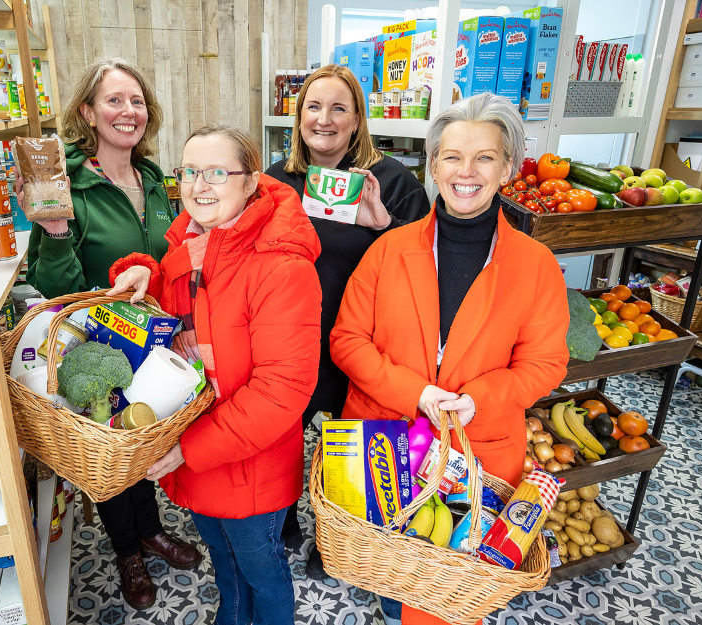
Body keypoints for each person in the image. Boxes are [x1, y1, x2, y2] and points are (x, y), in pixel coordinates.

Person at [329, 92, 570, 625]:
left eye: (485, 157)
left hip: (477, 457)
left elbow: (546, 362)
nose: (467, 171)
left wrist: (476, 400)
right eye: (452, 156)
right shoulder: (388, 250)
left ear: (507, 168)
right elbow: (347, 339)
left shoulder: (535, 266)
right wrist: (412, 392)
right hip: (387, 446)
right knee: (392, 573)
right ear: (432, 165)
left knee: (446, 603)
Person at [106, 124, 321, 625]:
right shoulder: (192, 238)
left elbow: (281, 391)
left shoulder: (282, 267)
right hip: (199, 448)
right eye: (191, 172)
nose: (200, 185)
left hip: (247, 460)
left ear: (250, 183)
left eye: (218, 173)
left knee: (261, 568)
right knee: (223, 560)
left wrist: (190, 449)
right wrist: (147, 274)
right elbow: (187, 312)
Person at [22, 57, 201, 610]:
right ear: (87, 112)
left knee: (141, 438)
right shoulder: (65, 185)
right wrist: (54, 232)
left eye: (137, 101)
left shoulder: (151, 177)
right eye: (115, 101)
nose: (129, 112)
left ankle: (149, 529)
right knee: (107, 456)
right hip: (94, 342)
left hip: (150, 333)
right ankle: (127, 550)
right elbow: (52, 287)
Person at [265, 64, 432, 576]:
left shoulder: (393, 182)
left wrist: (383, 224)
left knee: (354, 448)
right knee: (281, 437)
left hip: (362, 343)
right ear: (298, 117)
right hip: (288, 340)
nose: (325, 119)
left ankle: (336, 539)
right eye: (314, 107)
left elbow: (424, 263)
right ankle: (282, 518)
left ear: (358, 120)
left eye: (340, 108)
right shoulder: (277, 182)